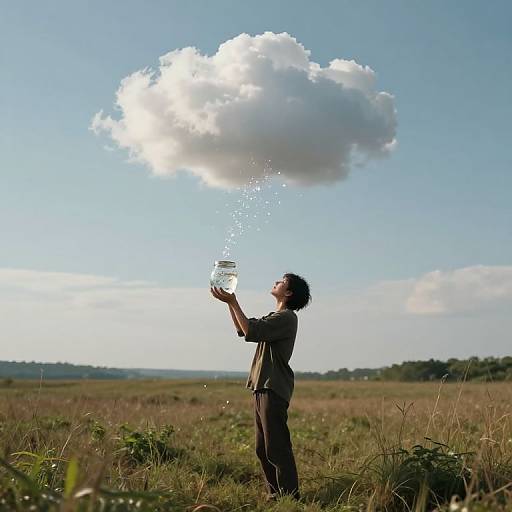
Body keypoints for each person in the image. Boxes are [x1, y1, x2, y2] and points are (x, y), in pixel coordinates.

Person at [210, 273, 311, 500]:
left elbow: (251, 331)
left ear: (288, 293)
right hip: (261, 387)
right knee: (262, 447)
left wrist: (233, 301)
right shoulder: (275, 316)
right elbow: (244, 329)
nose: (276, 281)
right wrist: (230, 303)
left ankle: (290, 497)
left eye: (282, 281)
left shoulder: (286, 317)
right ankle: (275, 494)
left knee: (276, 446)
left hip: (273, 387)